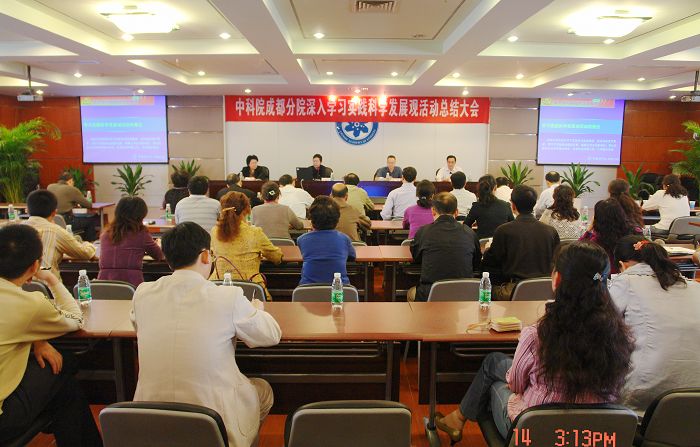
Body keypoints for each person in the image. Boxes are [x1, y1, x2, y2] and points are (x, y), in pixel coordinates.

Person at [435, 242, 633, 441]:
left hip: (537, 430)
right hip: (598, 430)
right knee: (495, 362)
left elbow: (515, 385)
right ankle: (457, 418)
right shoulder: (620, 335)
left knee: (494, 381)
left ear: (557, 279)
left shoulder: (537, 335)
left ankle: (459, 418)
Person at [132, 222, 281, 447]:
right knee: (263, 390)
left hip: (149, 416)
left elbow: (138, 325)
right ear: (205, 256)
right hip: (212, 421)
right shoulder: (228, 297)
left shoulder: (142, 294)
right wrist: (257, 310)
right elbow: (270, 335)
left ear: (169, 259)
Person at [0, 224, 103, 447]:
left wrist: (36, 338)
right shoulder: (29, 304)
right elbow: (76, 320)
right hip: (3, 419)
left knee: (62, 383)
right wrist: (52, 280)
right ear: (35, 265)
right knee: (64, 373)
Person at [609, 235, 700, 413]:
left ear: (622, 265)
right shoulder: (694, 286)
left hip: (647, 389)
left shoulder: (625, 281)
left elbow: (601, 325)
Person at [481, 185, 560, 300]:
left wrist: (488, 250)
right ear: (534, 204)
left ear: (513, 205)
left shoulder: (504, 230)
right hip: (545, 290)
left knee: (486, 287)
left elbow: (491, 261)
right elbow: (556, 262)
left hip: (513, 290)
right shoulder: (550, 231)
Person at [408, 192, 481, 301]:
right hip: (464, 295)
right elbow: (476, 262)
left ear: (433, 210)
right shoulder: (469, 233)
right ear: (456, 212)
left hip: (431, 294)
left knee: (411, 293)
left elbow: (416, 258)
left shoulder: (423, 232)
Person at [210, 192, 282, 301]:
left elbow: (213, 255)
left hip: (218, 289)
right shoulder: (254, 232)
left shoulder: (214, 231)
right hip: (251, 291)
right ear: (247, 210)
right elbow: (277, 257)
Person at [23, 190, 96, 280]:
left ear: (27, 210)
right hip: (49, 286)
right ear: (54, 212)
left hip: (17, 287)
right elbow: (85, 254)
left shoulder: (14, 229)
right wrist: (89, 244)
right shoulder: (56, 231)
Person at [98, 196, 165, 287]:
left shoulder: (105, 234)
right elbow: (159, 255)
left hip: (103, 286)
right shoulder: (141, 233)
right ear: (140, 215)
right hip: (132, 285)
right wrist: (159, 244)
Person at [297, 196, 356, 285]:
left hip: (308, 288)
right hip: (339, 289)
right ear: (337, 220)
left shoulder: (302, 240)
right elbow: (352, 257)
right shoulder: (344, 239)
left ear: (312, 220)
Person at [580, 199, 642, 274]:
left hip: (603, 277)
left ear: (597, 219)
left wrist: (589, 229)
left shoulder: (596, 241)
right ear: (621, 214)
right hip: (633, 275)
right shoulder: (635, 232)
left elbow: (577, 251)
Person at [47, 171, 98, 241]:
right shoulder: (71, 189)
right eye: (73, 181)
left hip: (52, 220)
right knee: (90, 220)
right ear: (70, 181)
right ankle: (90, 243)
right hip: (67, 222)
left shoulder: (50, 187)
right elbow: (88, 205)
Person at [464, 175, 514, 240]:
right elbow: (513, 225)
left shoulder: (476, 206)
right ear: (495, 188)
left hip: (482, 243)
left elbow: (465, 226)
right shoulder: (505, 205)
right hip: (501, 243)